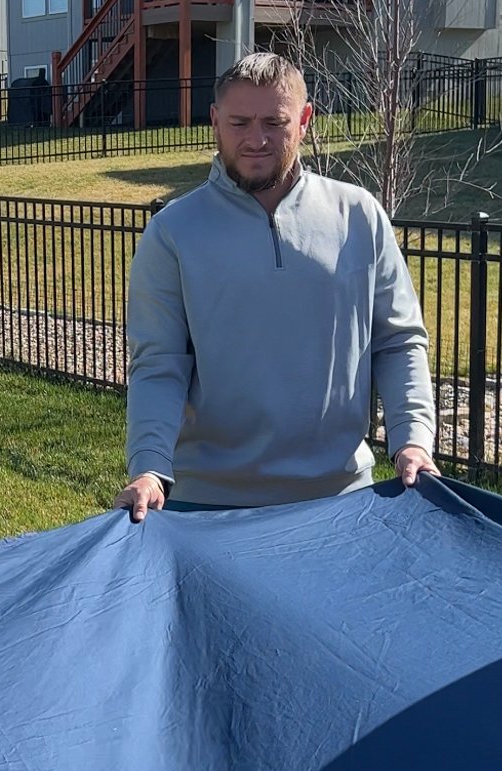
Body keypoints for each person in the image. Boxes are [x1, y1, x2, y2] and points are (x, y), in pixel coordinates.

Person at [116, 52, 438, 521]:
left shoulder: (359, 216)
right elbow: (159, 363)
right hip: (206, 504)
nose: (256, 139)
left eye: (274, 121)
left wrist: (412, 441)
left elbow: (399, 341)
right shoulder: (172, 233)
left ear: (305, 120)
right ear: (214, 122)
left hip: (343, 497)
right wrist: (149, 468)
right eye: (239, 122)